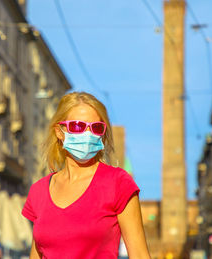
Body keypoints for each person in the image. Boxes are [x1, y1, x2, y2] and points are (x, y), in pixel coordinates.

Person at [22, 92, 151, 259]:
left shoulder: (117, 183)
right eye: (78, 126)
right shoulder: (39, 190)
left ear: (102, 135)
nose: (87, 134)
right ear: (59, 132)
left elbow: (139, 255)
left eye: (96, 128)